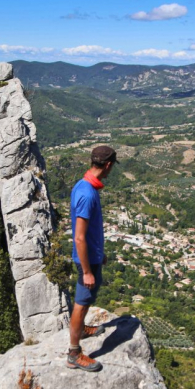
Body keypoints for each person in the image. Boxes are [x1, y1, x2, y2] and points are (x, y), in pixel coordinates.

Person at [67, 145, 119, 372]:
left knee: (87, 300)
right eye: (112, 167)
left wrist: (100, 255)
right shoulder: (88, 194)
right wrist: (87, 271)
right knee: (81, 302)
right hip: (85, 261)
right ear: (107, 165)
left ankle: (83, 329)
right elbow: (79, 238)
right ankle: (74, 353)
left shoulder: (83, 185)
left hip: (93, 257)